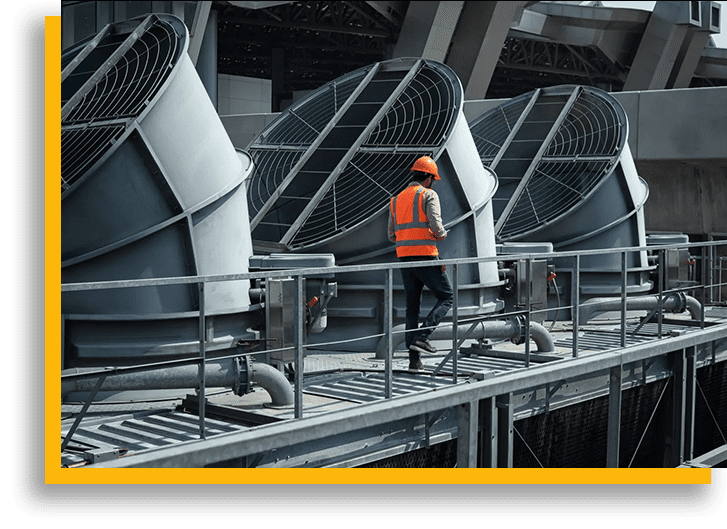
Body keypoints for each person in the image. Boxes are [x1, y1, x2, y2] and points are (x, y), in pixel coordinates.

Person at [388, 156, 454, 372]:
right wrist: (442, 235)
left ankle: (414, 361)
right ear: (428, 177)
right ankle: (423, 336)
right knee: (447, 296)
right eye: (433, 178)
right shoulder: (428, 194)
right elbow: (436, 225)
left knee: (412, 307)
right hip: (426, 255)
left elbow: (391, 235)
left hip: (404, 258)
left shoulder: (396, 199)